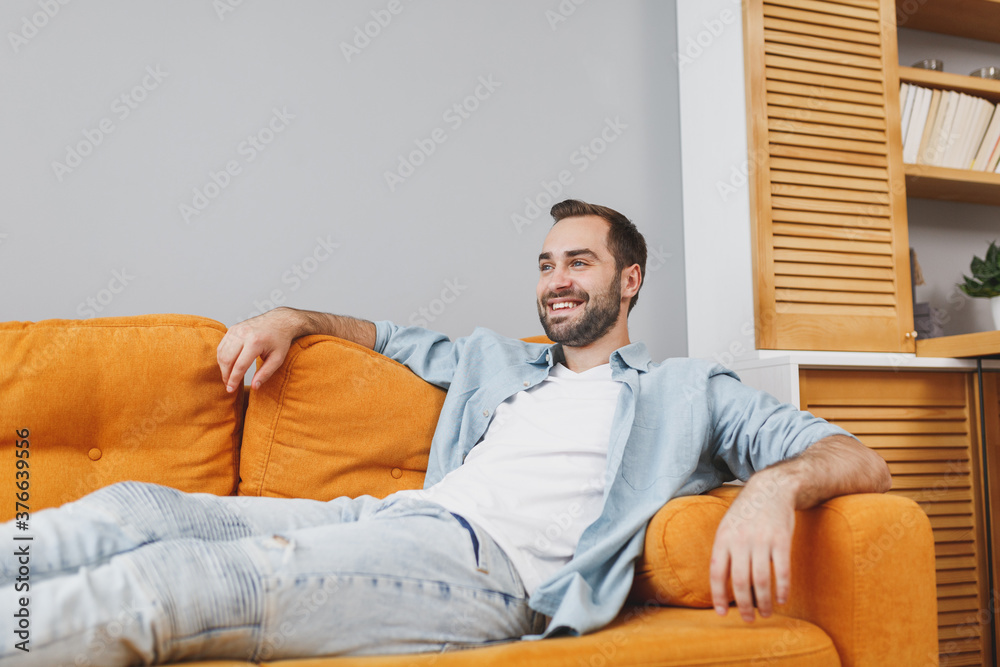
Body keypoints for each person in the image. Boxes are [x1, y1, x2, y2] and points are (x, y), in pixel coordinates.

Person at [0, 199, 891, 665]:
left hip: (489, 574)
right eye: (546, 263)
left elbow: (858, 455)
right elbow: (369, 334)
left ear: (630, 281)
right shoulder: (494, 360)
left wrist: (773, 486)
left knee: (177, 580)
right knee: (129, 508)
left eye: (579, 261)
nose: (556, 280)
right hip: (382, 517)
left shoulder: (687, 388)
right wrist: (285, 314)